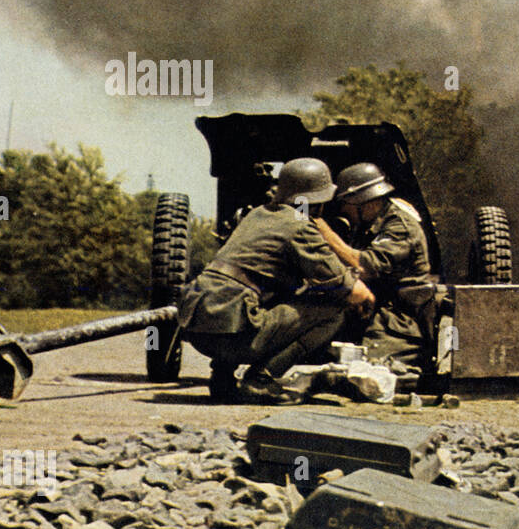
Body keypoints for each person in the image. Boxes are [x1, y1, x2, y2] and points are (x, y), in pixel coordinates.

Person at [177, 157, 375, 403]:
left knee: (259, 295)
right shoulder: (300, 227)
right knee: (334, 309)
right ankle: (262, 380)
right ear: (320, 201)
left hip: (199, 330)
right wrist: (364, 293)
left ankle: (223, 379)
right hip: (232, 336)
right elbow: (351, 291)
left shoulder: (257, 215)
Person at [314, 161, 441, 374]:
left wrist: (325, 234)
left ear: (365, 202)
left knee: (369, 369)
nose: (344, 211)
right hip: (372, 307)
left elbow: (365, 266)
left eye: (347, 204)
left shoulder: (399, 224)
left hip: (401, 318)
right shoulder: (368, 224)